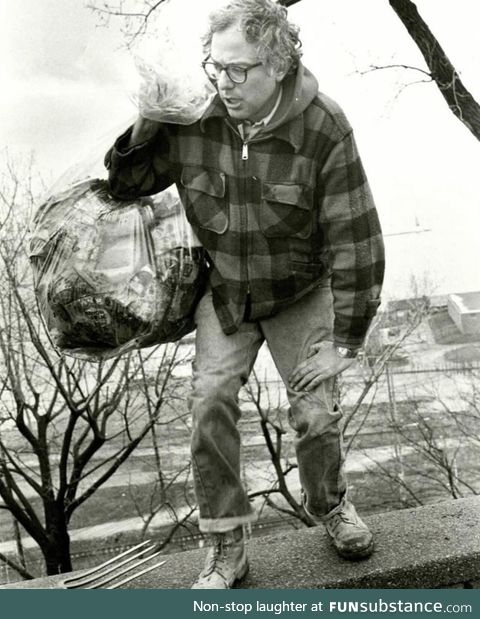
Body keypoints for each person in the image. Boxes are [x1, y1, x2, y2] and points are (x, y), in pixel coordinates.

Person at [105, 0, 385, 589]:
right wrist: (149, 119)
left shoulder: (324, 127)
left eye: (239, 71)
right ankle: (226, 544)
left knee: (315, 411)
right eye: (215, 67)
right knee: (208, 403)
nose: (224, 83)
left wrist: (347, 342)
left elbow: (355, 239)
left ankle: (330, 506)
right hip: (229, 291)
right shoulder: (196, 116)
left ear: (279, 65)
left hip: (300, 290)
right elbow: (125, 183)